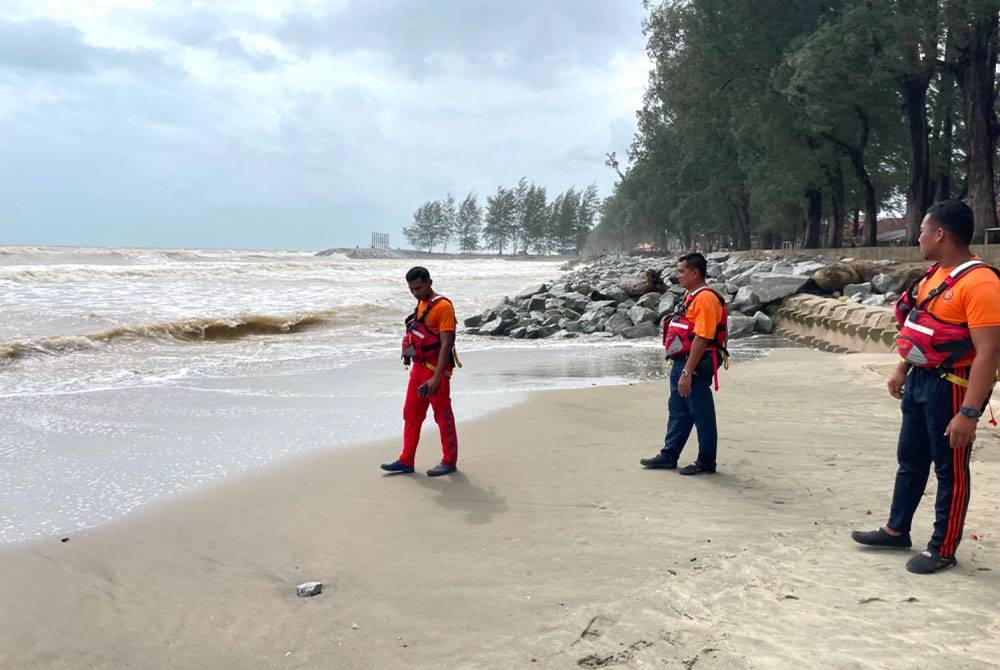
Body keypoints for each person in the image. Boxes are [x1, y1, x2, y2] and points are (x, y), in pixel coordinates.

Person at [852, 199, 1000, 574]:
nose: (917, 237)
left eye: (922, 230)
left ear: (940, 234)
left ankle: (942, 548)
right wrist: (902, 369)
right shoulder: (934, 275)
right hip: (920, 381)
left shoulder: (981, 283)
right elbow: (920, 328)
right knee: (910, 460)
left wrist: (969, 412)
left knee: (950, 470)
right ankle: (896, 528)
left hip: (952, 387)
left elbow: (988, 353)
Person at [640, 252, 728, 475]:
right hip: (682, 361)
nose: (677, 275)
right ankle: (669, 455)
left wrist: (688, 371)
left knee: (701, 413)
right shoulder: (692, 296)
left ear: (695, 272)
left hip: (696, 364)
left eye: (681, 271)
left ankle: (707, 461)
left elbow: (702, 337)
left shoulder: (706, 299)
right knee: (678, 410)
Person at [381, 267, 460, 477]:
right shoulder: (421, 303)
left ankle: (449, 461)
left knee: (443, 416)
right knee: (410, 414)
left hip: (436, 371)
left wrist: (436, 376)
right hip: (418, 369)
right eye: (412, 289)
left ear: (429, 282)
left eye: (419, 288)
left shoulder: (443, 307)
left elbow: (446, 343)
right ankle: (406, 460)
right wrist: (407, 351)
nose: (415, 292)